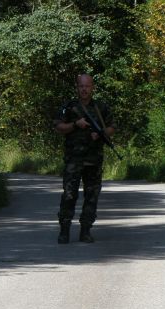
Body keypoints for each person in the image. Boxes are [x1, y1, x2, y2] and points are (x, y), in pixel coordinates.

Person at [54, 73, 115, 244]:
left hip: (94, 160)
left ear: (92, 87)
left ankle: (86, 230)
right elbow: (58, 127)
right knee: (69, 195)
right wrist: (75, 124)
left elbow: (112, 127)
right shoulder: (69, 107)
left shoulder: (100, 108)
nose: (84, 89)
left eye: (87, 86)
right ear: (77, 87)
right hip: (73, 160)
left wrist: (101, 133)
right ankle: (64, 230)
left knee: (92, 195)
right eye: (81, 86)